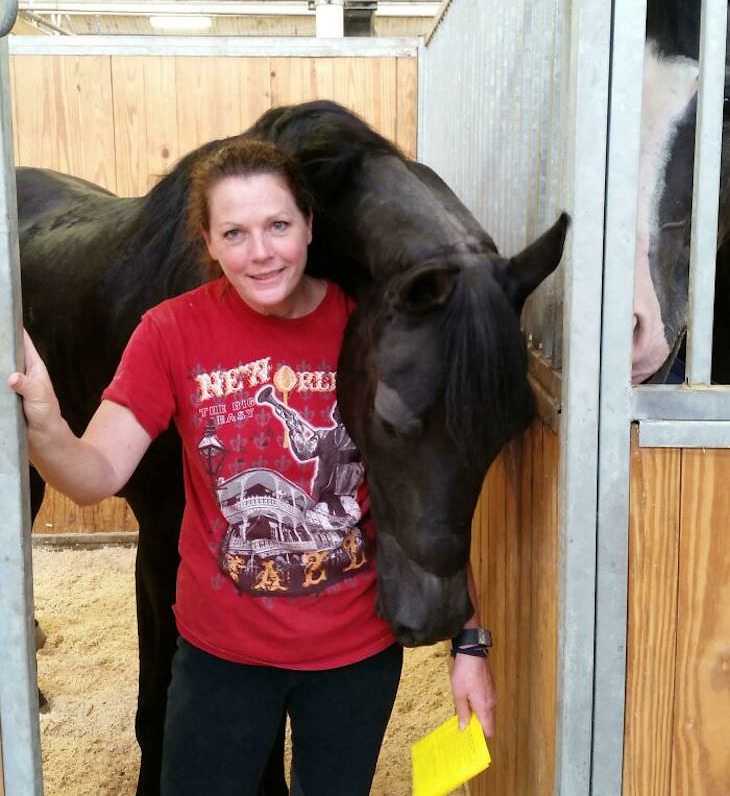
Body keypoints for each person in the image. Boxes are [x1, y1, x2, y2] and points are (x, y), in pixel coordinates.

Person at [9, 136, 496, 796]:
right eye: (234, 232)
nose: (260, 252)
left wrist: (468, 645)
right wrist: (46, 424)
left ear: (309, 226)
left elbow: (422, 495)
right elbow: (96, 473)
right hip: (221, 661)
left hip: (352, 659)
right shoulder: (168, 331)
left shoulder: (378, 330)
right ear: (205, 241)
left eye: (277, 225)